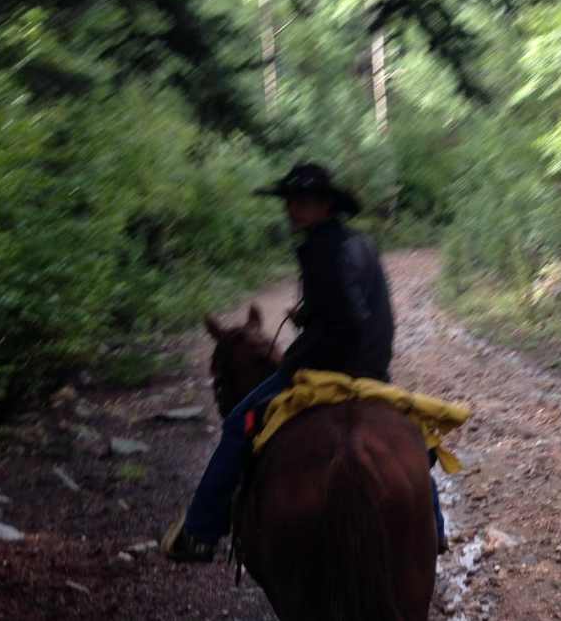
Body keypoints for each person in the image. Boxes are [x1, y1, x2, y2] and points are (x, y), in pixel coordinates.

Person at [161, 162, 447, 561]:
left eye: (305, 201)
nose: (294, 209)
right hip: (373, 370)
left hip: (328, 370)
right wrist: (310, 314)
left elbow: (348, 318)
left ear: (326, 206)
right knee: (410, 435)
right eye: (292, 201)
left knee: (237, 425)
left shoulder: (319, 248)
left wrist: (296, 356)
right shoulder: (361, 243)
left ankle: (199, 531)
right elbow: (358, 308)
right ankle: (433, 526)